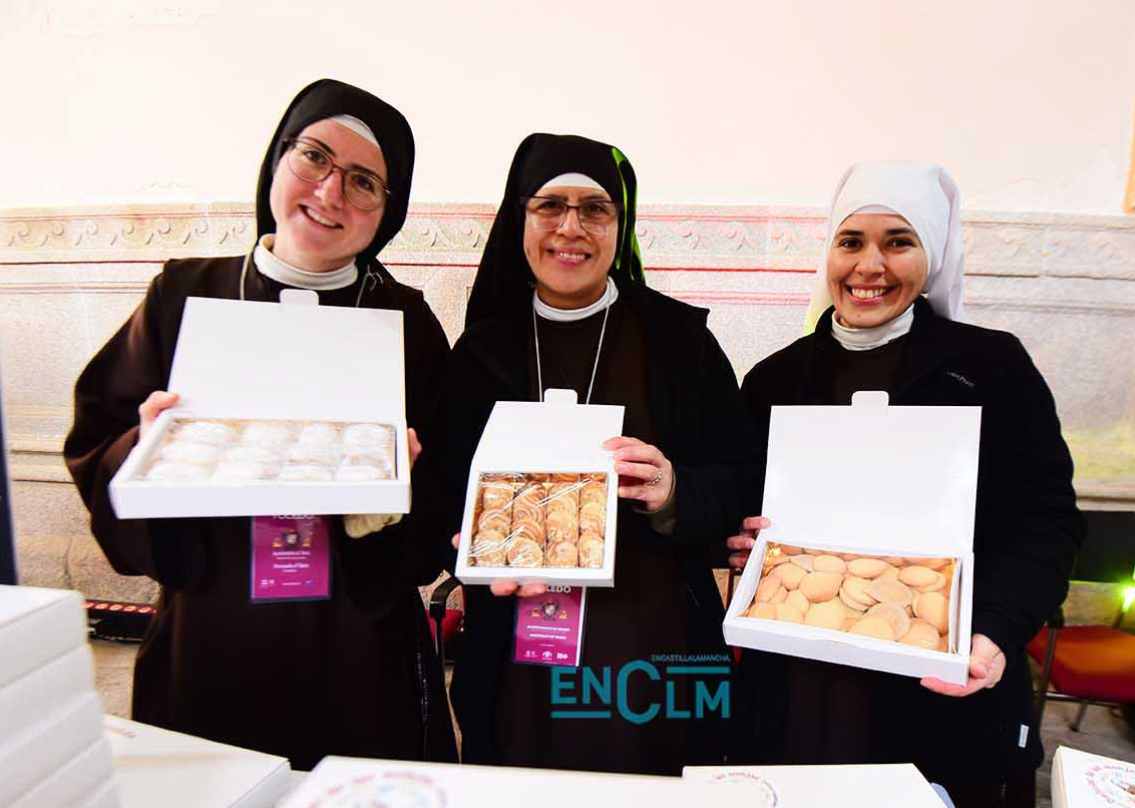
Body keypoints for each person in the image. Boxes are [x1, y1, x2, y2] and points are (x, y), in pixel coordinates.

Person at [64, 79, 457, 769]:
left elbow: (451, 491)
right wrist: (144, 446)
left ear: (386, 211)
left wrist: (399, 493)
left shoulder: (409, 322)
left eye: (364, 181)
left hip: (358, 647)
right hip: (214, 632)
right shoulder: (182, 294)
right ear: (275, 162)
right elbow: (97, 442)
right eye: (314, 157)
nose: (331, 193)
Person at [727, 162, 1082, 807]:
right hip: (802, 681)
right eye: (851, 241)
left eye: (898, 242)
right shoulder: (776, 380)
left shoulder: (991, 368)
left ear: (934, 256)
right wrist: (743, 541)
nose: (870, 266)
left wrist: (995, 632)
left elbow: (1047, 521)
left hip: (935, 677)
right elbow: (743, 503)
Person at [414, 133, 753, 774]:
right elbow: (442, 495)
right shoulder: (482, 352)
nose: (571, 227)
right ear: (521, 219)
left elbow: (742, 480)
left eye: (595, 208)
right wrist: (463, 533)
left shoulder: (681, 344)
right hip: (518, 648)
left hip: (650, 651)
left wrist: (677, 491)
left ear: (620, 228)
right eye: (550, 206)